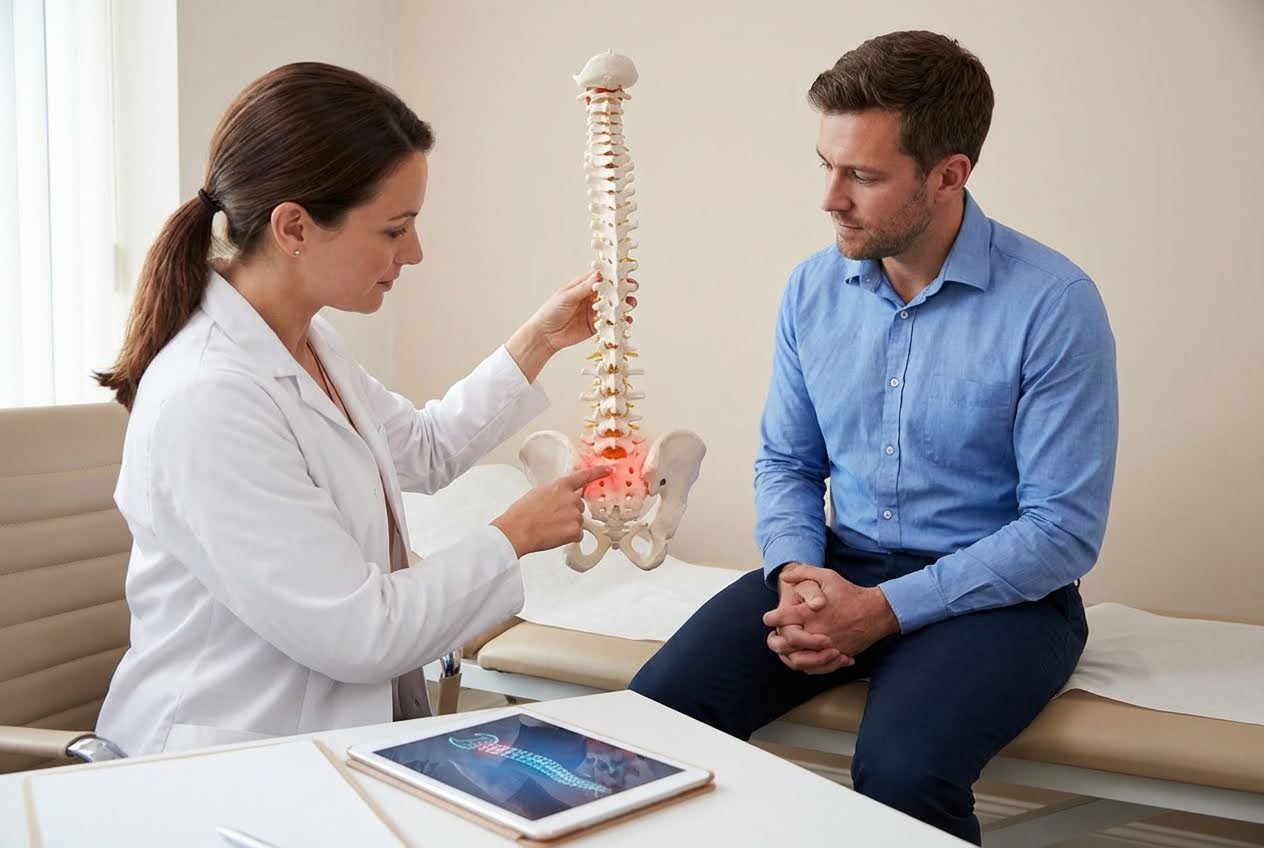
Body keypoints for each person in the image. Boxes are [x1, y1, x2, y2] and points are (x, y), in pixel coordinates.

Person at [629, 31, 1117, 844]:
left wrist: (883, 611)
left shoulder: (1053, 304)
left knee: (900, 774)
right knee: (649, 724)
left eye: (863, 175)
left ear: (948, 175)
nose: (831, 197)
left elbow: (1062, 531)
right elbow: (788, 462)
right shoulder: (811, 289)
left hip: (1001, 601)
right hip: (835, 565)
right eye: (826, 164)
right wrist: (796, 572)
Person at [93, 62, 620, 756]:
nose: (416, 252)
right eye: (395, 230)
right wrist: (511, 534)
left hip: (326, 748)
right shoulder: (207, 400)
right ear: (294, 227)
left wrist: (541, 340)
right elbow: (360, 633)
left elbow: (425, 449)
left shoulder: (309, 344)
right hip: (223, 766)